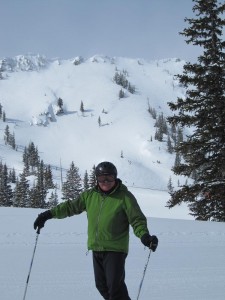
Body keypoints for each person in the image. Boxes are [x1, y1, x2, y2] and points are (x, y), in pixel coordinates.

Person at [34, 161, 158, 300]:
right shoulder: (90, 195)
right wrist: (48, 215)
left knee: (114, 288)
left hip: (115, 249)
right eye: (101, 178)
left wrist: (144, 236)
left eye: (109, 178)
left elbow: (137, 220)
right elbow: (70, 207)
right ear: (96, 179)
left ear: (115, 178)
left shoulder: (124, 197)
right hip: (96, 247)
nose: (105, 182)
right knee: (102, 286)